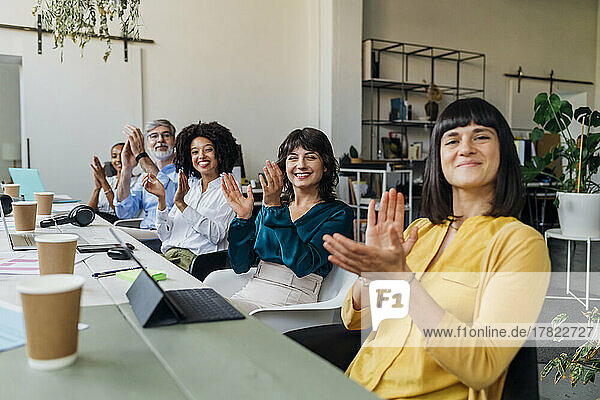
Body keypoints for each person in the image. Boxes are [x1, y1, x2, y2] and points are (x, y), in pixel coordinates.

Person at [323, 98, 551, 400]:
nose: (465, 147)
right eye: (452, 139)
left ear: (504, 152)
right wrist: (373, 274)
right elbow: (358, 321)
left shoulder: (519, 244)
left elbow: (481, 367)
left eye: (481, 136)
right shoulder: (420, 232)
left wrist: (404, 279)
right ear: (439, 158)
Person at [221, 127, 354, 313]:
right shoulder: (273, 207)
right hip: (251, 292)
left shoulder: (338, 213)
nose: (301, 165)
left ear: (325, 166)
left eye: (311, 157)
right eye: (293, 158)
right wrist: (243, 219)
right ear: (284, 167)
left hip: (291, 301)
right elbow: (240, 265)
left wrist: (275, 209)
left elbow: (302, 264)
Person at [142, 122, 238, 272]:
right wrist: (161, 199)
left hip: (196, 263)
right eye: (195, 152)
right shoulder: (191, 188)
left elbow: (217, 235)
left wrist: (182, 205)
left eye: (208, 150)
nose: (201, 156)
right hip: (169, 256)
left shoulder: (229, 190)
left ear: (220, 153)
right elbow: (164, 235)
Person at [114, 119, 178, 229]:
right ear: (147, 143)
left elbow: (166, 191)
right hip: (145, 233)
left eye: (166, 135)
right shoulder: (144, 175)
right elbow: (124, 212)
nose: (160, 140)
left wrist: (141, 155)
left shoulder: (185, 170)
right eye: (154, 136)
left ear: (174, 140)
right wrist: (127, 168)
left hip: (171, 235)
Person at [87, 142, 138, 223]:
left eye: (122, 156)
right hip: (99, 222)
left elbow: (120, 212)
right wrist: (97, 188)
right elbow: (89, 211)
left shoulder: (137, 183)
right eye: (114, 156)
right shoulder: (109, 180)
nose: (118, 160)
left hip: (117, 225)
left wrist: (103, 181)